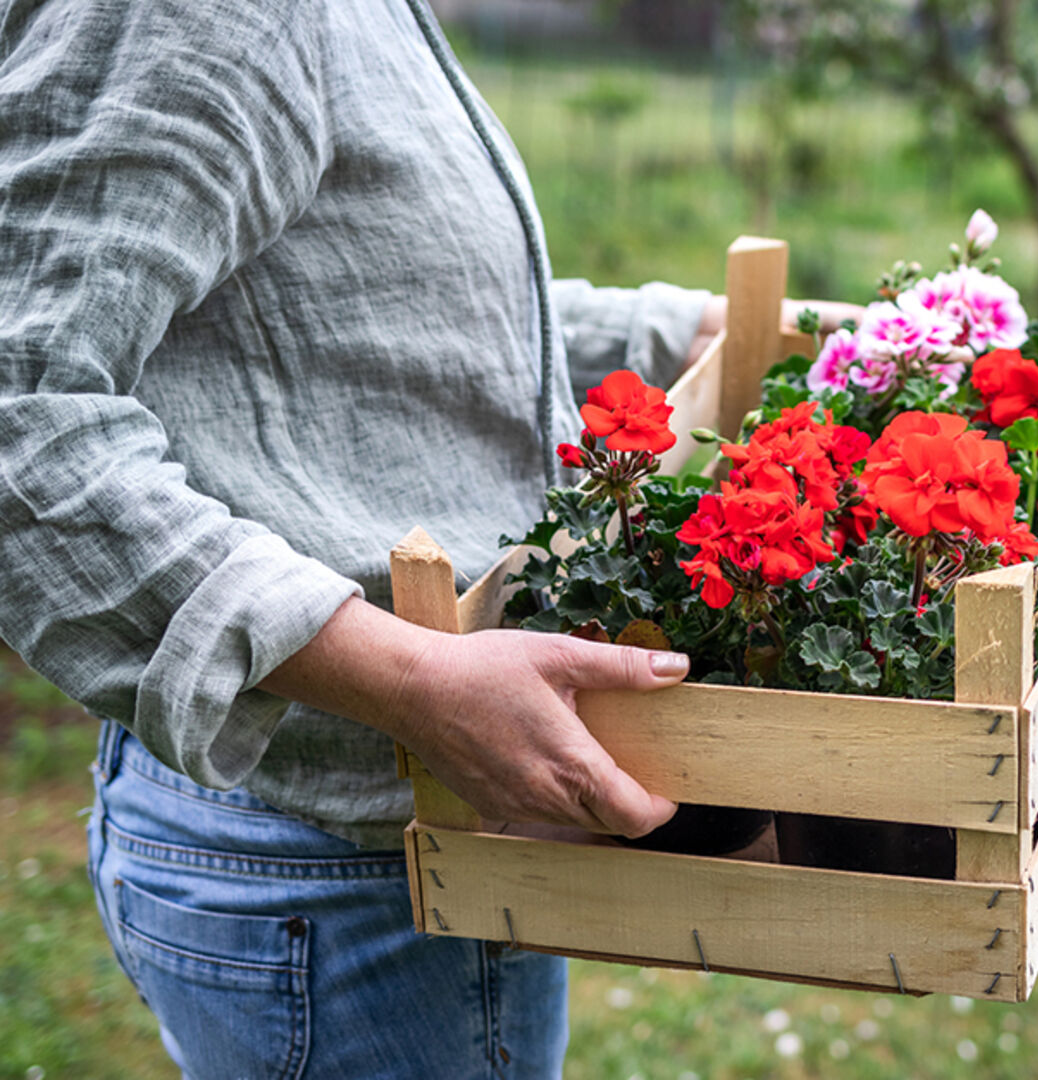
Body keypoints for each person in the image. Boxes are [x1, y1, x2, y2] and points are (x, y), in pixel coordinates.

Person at [0, 1, 817, 1075]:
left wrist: (682, 334)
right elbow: (24, 417)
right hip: (338, 864)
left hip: (392, 834)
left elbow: (372, 297)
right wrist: (409, 681)